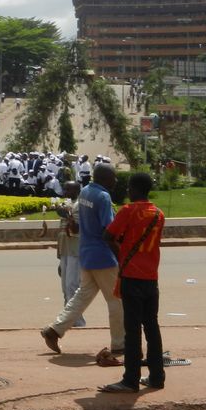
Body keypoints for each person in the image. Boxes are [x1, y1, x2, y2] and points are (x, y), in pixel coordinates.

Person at [40, 162, 124, 356]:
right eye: (113, 177)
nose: (116, 180)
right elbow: (108, 230)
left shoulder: (85, 192)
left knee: (82, 296)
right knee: (117, 300)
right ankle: (120, 343)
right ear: (105, 178)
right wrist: (120, 255)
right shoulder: (103, 196)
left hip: (86, 253)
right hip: (103, 256)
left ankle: (54, 330)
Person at [99, 172, 166, 393]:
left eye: (129, 187)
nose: (127, 190)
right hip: (151, 277)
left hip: (131, 277)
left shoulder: (128, 211)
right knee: (152, 328)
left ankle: (130, 380)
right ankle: (157, 377)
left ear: (135, 189)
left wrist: (122, 256)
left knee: (132, 330)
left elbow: (108, 235)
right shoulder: (158, 214)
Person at [55, 181, 85, 328]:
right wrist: (59, 258)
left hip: (75, 251)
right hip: (65, 252)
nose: (65, 191)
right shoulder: (67, 204)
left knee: (72, 287)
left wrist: (67, 215)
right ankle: (71, 320)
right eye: (65, 188)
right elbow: (62, 233)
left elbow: (77, 230)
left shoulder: (79, 205)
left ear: (77, 190)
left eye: (69, 189)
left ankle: (77, 321)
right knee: (65, 289)